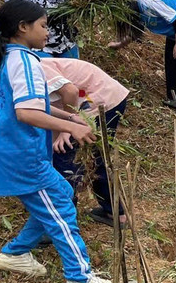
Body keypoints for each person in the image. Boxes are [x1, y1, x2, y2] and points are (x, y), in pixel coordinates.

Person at [0, 0, 110, 283]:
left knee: (60, 193)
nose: (47, 32)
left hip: (10, 149)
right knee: (61, 205)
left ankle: (15, 253)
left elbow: (34, 104)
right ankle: (79, 278)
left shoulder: (12, 57)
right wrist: (72, 128)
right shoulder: (25, 62)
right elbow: (26, 113)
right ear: (23, 28)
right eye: (43, 25)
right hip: (20, 153)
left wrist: (68, 117)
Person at [43, 58, 130, 227]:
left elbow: (71, 92)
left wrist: (67, 130)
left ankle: (62, 221)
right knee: (95, 158)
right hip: (95, 100)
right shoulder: (20, 69)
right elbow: (48, 108)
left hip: (101, 100)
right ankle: (114, 213)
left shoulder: (31, 68)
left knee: (66, 155)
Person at [108, 0, 176, 117]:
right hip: (174, 32)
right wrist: (120, 44)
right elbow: (136, 31)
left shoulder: (149, 3)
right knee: (172, 64)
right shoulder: (134, 11)